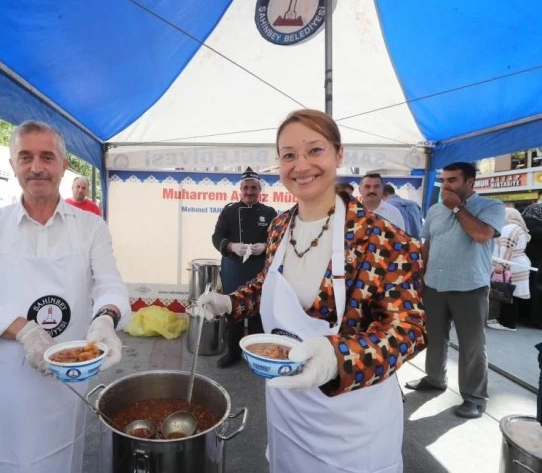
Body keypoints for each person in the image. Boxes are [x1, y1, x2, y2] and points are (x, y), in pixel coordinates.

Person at [198, 109, 425, 472]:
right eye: (289, 155)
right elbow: (269, 284)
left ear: (339, 154)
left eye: (314, 150)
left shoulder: (383, 237)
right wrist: (231, 301)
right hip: (288, 412)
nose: (300, 165)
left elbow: (408, 329)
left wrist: (337, 359)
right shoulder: (279, 227)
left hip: (353, 427)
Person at [0, 120, 130, 473]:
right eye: (25, 157)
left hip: (67, 375)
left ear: (63, 165)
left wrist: (106, 316)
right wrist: (25, 330)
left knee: (59, 459)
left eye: (47, 157)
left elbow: (109, 284)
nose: (36, 167)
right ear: (13, 164)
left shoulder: (91, 226)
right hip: (3, 377)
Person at [406, 162, 504, 419]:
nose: (446, 185)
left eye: (452, 180)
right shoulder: (436, 209)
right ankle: (435, 378)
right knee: (434, 338)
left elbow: (482, 235)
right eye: (444, 180)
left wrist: (458, 208)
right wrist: (421, 274)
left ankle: (474, 398)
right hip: (435, 285)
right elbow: (428, 243)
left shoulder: (491, 207)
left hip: (469, 286)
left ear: (470, 182)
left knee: (472, 345)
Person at [211, 167, 277, 368]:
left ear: (260, 190)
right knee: (233, 310)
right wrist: (231, 246)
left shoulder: (269, 212)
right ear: (240, 189)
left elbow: (277, 239)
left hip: (258, 269)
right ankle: (233, 353)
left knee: (256, 311)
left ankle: (255, 355)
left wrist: (265, 247)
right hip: (234, 268)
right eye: (246, 188)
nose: (249, 192)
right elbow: (217, 237)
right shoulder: (229, 211)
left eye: (253, 188)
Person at [487, 207, 531, 332]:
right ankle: (509, 321)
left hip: (510, 265)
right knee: (511, 294)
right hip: (518, 263)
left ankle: (507, 323)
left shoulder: (509, 228)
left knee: (506, 294)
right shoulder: (518, 228)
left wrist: (502, 265)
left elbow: (507, 249)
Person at [522, 202, 542, 327]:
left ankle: (525, 317)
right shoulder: (537, 226)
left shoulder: (522, 223)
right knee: (537, 294)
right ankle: (535, 320)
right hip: (537, 264)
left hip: (526, 263)